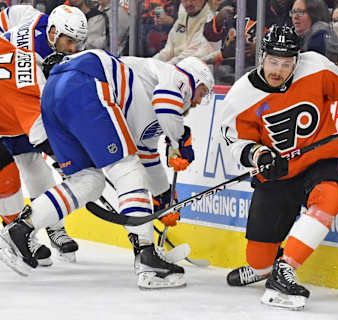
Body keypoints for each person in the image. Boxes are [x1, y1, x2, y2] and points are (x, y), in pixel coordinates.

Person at [0, 49, 214, 289]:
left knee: (88, 181)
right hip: (86, 83)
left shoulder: (149, 109)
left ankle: (20, 230)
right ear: (193, 79)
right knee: (127, 169)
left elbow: (148, 157)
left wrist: (163, 197)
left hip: (54, 94)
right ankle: (147, 258)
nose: (196, 102)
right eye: (201, 92)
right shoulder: (173, 74)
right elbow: (167, 106)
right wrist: (181, 138)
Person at [221, 25, 338, 310]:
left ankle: (284, 269)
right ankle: (265, 268)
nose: (278, 70)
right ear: (262, 58)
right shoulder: (241, 95)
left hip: (318, 162)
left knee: (332, 194)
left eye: (286, 64)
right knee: (258, 258)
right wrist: (259, 154)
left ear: (296, 61)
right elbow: (235, 142)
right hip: (277, 173)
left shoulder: (314, 67)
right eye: (273, 62)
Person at [0, 4, 88, 261]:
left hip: (14, 104)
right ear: (53, 32)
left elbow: (8, 14)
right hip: (15, 105)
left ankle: (52, 226)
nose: (73, 48)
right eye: (69, 41)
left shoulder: (39, 19)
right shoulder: (35, 62)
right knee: (20, 167)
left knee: (32, 164)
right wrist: (63, 155)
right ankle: (20, 233)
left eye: (78, 42)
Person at [153, 0, 219, 64]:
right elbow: (168, 50)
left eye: (193, 0)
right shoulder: (183, 12)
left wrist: (165, 67)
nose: (188, 4)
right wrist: (150, 62)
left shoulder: (210, 20)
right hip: (174, 65)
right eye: (185, 0)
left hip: (194, 68)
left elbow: (191, 53)